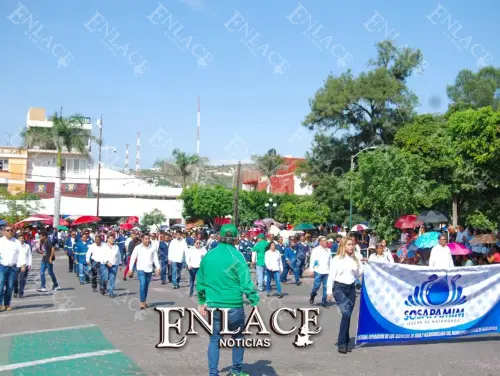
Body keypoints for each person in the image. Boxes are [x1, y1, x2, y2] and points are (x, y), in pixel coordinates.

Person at [197, 224, 259, 376]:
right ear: (236, 238)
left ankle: (213, 373)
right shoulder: (237, 256)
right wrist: (254, 300)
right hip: (233, 305)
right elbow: (246, 283)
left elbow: (201, 281)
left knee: (214, 339)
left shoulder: (209, 255)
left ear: (219, 237)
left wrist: (201, 301)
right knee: (238, 338)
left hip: (213, 305)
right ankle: (236, 371)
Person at [327, 238, 365, 354]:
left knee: (347, 316)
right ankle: (341, 343)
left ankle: (346, 340)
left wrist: (362, 264)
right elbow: (331, 276)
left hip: (351, 288)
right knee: (346, 313)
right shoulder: (336, 259)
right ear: (343, 246)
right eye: (349, 245)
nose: (351, 247)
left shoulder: (355, 259)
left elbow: (358, 274)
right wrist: (329, 291)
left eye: (352, 245)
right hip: (339, 288)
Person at [128, 234, 160, 309]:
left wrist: (158, 268)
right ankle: (142, 302)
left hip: (149, 269)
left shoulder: (152, 247)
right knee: (143, 284)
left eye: (148, 239)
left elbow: (155, 258)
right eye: (146, 239)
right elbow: (133, 258)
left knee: (146, 286)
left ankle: (144, 300)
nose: (147, 240)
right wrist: (130, 269)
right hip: (140, 269)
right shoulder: (138, 248)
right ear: (142, 239)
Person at [0, 226, 20, 311]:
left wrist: (22, 264)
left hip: (13, 268)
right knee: (0, 286)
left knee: (10, 286)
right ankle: (0, 304)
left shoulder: (16, 242)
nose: (10, 232)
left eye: (12, 230)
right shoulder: (1, 241)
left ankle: (7, 304)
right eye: (8, 230)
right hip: (2, 266)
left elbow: (20, 254)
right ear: (4, 232)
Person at [308, 237, 331, 307]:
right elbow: (312, 260)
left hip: (327, 271)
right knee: (316, 286)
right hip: (318, 270)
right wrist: (311, 270)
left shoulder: (328, 250)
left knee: (326, 287)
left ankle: (324, 301)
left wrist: (332, 270)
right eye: (323, 241)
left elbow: (330, 261)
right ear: (320, 242)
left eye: (326, 241)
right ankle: (312, 295)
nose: (325, 242)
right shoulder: (315, 250)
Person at [101, 233, 121, 297]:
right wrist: (106, 262)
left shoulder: (116, 246)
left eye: (113, 238)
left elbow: (118, 255)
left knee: (112, 278)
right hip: (105, 264)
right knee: (105, 278)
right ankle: (103, 287)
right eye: (111, 238)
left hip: (114, 264)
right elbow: (102, 255)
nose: (113, 240)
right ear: (107, 239)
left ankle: (111, 292)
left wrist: (120, 263)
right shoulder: (104, 246)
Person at [14, 233, 32, 298]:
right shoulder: (15, 246)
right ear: (18, 239)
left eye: (22, 238)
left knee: (22, 279)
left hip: (24, 264)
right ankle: (15, 291)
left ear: (24, 239)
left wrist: (29, 264)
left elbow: (29, 255)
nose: (21, 239)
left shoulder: (27, 246)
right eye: (20, 238)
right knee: (14, 280)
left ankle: (21, 292)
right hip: (16, 264)